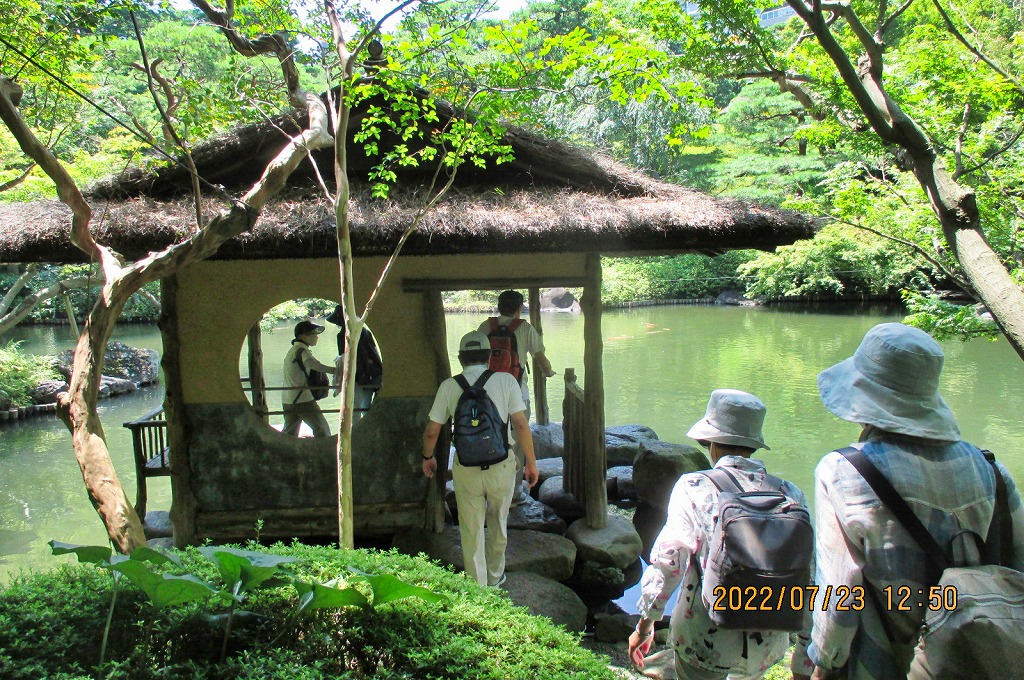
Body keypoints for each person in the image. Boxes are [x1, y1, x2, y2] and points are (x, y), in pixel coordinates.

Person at [808, 322, 1024, 679]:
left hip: (885, 662)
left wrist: (824, 663)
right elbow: (1016, 570)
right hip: (981, 655)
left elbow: (839, 590)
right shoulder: (992, 470)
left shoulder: (844, 471)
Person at [628, 389, 814, 680]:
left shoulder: (694, 486)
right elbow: (807, 575)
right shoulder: (790, 493)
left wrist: (645, 624)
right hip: (766, 638)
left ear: (711, 444)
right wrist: (805, 645)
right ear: (754, 445)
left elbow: (670, 564)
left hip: (704, 637)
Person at [420, 330, 540, 587]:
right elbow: (520, 425)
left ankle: (478, 586)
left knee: (471, 529)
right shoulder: (507, 381)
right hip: (501, 466)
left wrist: (427, 456)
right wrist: (531, 461)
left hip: (466, 469)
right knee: (498, 521)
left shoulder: (449, 386)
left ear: (461, 357)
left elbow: (432, 430)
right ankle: (496, 579)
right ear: (488, 356)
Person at [478, 289, 556, 505]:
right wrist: (548, 372)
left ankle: (490, 490)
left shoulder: (485, 327)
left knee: (490, 439)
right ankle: (513, 493)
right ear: (519, 308)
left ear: (499, 306)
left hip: (488, 394)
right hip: (517, 395)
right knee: (518, 442)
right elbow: (542, 361)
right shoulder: (524, 328)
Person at [324, 305, 383, 422]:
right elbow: (374, 353)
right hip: (373, 373)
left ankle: (356, 434)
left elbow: (344, 358)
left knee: (355, 408)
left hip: (357, 376)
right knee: (366, 407)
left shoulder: (342, 335)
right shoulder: (364, 331)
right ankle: (368, 428)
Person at [281, 320, 336, 438]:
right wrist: (336, 370)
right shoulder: (302, 351)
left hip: (288, 399)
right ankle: (324, 452)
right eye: (312, 334)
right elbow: (316, 365)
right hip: (303, 399)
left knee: (289, 434)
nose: (316, 337)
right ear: (302, 336)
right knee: (322, 429)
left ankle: (284, 454)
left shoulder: (292, 351)